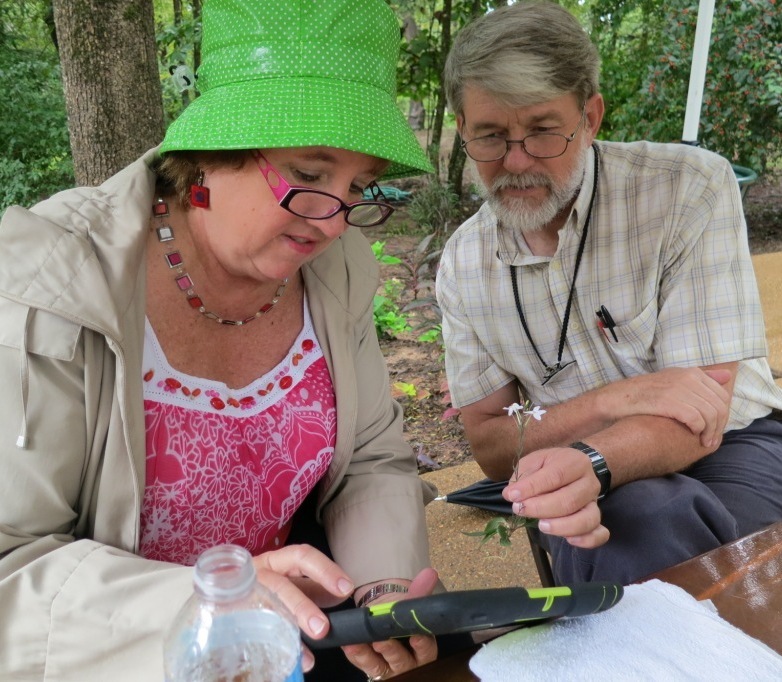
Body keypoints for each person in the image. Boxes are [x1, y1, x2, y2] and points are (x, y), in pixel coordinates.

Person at [0, 1, 442, 679]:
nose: (332, 224)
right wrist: (212, 606)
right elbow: (12, 567)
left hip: (290, 650)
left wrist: (380, 589)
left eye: (359, 186)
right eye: (310, 175)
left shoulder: (336, 269)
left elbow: (372, 460)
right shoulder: (49, 284)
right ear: (212, 151)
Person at [437, 1, 782, 586]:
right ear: (463, 130)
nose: (516, 162)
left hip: (734, 445)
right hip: (577, 463)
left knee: (641, 525)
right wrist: (608, 404)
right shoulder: (465, 262)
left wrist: (592, 460)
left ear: (590, 116)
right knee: (619, 523)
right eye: (490, 137)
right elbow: (494, 448)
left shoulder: (684, 190)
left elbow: (703, 412)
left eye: (543, 131)